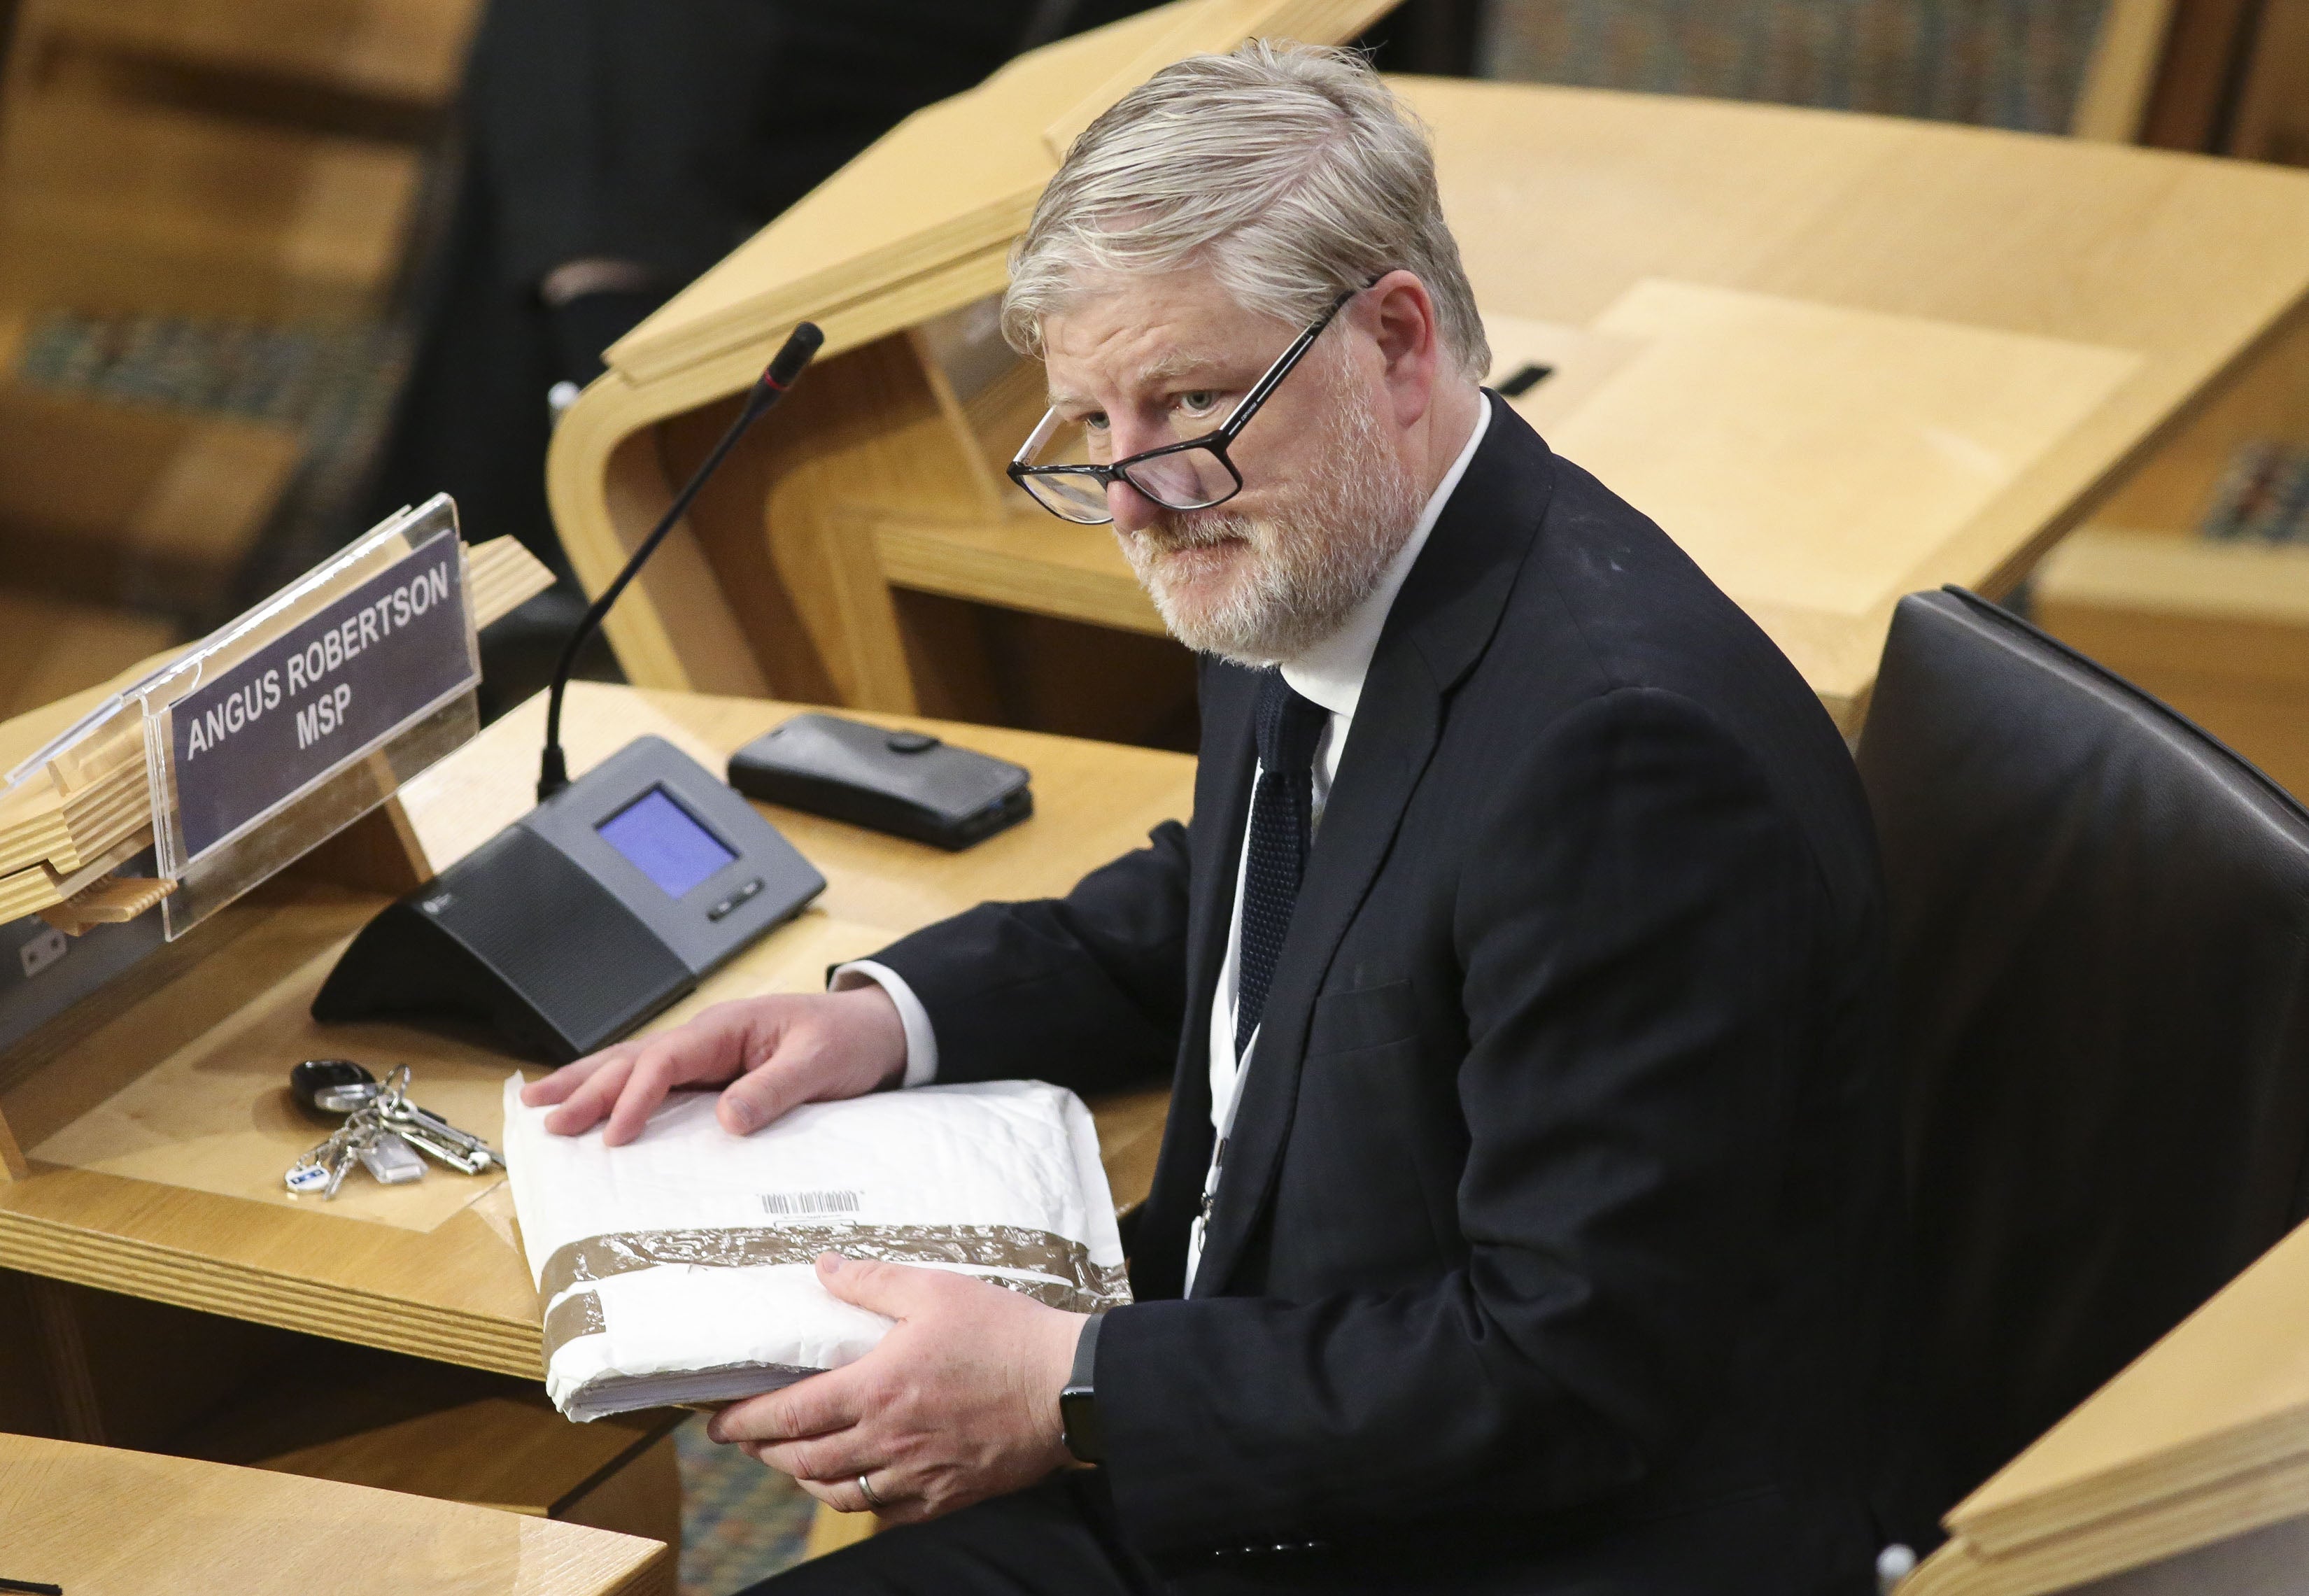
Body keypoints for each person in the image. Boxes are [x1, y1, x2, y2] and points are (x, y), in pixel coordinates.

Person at [523, 41, 1912, 1593]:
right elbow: (1267, 890)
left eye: (1183, 398)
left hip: (1486, 1541)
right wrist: (890, 1019)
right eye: (1087, 426)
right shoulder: (1314, 544)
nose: (1129, 495)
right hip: (1270, 1424)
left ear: (1395, 340)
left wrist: (1070, 1389)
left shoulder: (1623, 761)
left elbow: (1564, 1372)